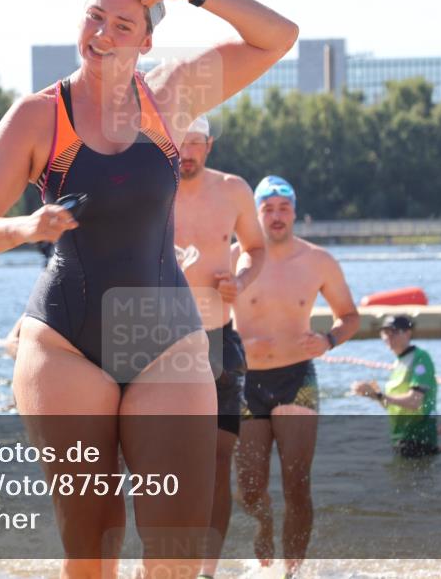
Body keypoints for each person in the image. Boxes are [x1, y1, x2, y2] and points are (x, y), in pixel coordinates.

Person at [0, 0, 298, 578]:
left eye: (122, 24)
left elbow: (278, 36)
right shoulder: (38, 116)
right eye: (94, 17)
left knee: (177, 552)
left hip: (166, 342)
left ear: (145, 41)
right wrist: (24, 228)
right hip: (66, 346)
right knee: (94, 548)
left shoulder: (169, 96)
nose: (103, 34)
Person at [231, 176, 360, 575]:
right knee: (250, 490)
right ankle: (265, 523)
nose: (276, 216)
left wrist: (328, 340)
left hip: (296, 381)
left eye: (283, 207)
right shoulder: (235, 258)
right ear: (256, 215)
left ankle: (294, 570)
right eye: (267, 208)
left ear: (294, 211)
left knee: (297, 483)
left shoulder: (318, 261)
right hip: (245, 382)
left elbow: (350, 317)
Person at [173, 113, 265, 578]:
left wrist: (241, 279)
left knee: (216, 463)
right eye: (179, 142)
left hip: (218, 342)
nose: (186, 152)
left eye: (195, 143)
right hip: (158, 343)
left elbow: (256, 247)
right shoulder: (149, 189)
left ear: (209, 146)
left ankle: (206, 572)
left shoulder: (232, 190)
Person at [351, 315, 439, 457]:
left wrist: (379, 395)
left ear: (408, 333)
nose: (389, 337)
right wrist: (372, 394)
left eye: (394, 332)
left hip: (418, 440)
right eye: (385, 332)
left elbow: (415, 401)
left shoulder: (420, 358)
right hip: (399, 437)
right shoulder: (398, 363)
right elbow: (392, 405)